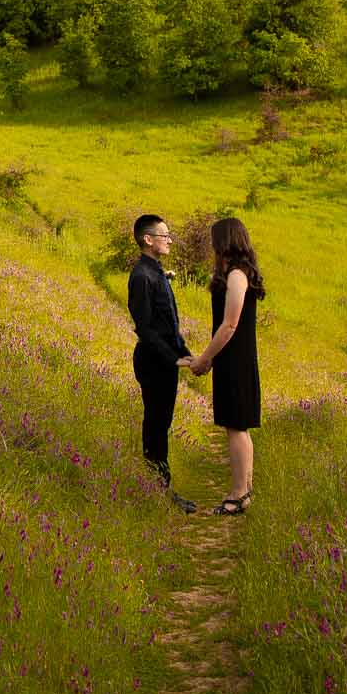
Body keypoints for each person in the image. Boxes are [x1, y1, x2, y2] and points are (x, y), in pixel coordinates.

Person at [186, 215, 263, 516]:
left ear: (225, 241)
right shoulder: (237, 273)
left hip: (236, 359)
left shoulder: (236, 276)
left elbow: (229, 325)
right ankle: (244, 490)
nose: (211, 247)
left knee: (236, 427)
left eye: (214, 241)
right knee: (237, 426)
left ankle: (239, 492)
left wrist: (206, 358)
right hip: (233, 358)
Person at [125, 214, 199, 512]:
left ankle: (161, 490)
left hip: (166, 362)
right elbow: (144, 328)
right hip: (153, 362)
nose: (169, 240)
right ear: (148, 239)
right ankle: (158, 493)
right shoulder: (142, 276)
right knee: (155, 427)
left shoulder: (157, 273)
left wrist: (185, 353)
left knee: (161, 425)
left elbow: (169, 323)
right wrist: (174, 359)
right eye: (164, 235)